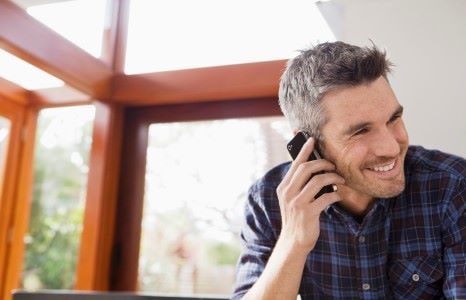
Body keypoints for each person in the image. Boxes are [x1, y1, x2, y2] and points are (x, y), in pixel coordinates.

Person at [232, 41, 466, 299]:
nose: (390, 147)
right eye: (360, 131)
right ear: (308, 144)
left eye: (393, 119)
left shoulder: (453, 187)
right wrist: (293, 241)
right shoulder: (268, 200)